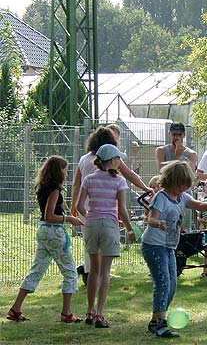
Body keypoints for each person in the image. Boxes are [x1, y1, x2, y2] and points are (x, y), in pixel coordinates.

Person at [141, 160, 207, 338]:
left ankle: (155, 321)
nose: (183, 188)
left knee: (172, 285)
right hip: (154, 245)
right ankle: (161, 324)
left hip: (169, 246)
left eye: (186, 185)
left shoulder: (182, 197)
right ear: (171, 181)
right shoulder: (161, 197)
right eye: (181, 185)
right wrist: (159, 223)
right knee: (163, 283)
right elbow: (150, 219)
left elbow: (198, 204)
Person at [6, 156, 84, 323]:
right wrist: (68, 219)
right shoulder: (55, 189)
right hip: (54, 233)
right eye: (65, 169)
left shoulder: (43, 187)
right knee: (70, 271)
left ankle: (15, 309)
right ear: (58, 171)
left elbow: (47, 214)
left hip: (43, 232)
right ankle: (66, 313)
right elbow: (50, 216)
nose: (67, 173)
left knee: (37, 270)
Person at [71, 126, 152, 284]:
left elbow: (76, 184)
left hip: (85, 206)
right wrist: (145, 188)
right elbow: (129, 174)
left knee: (90, 242)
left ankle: (90, 271)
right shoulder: (111, 159)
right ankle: (99, 273)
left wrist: (74, 205)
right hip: (105, 207)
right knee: (106, 241)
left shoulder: (83, 159)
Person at [77, 144, 137, 328]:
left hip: (92, 224)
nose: (120, 161)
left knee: (93, 271)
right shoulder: (118, 181)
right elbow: (122, 210)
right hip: (109, 225)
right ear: (111, 161)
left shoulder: (88, 179)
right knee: (105, 272)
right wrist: (130, 229)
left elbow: (79, 206)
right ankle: (100, 315)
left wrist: (90, 218)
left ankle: (89, 311)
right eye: (118, 158)